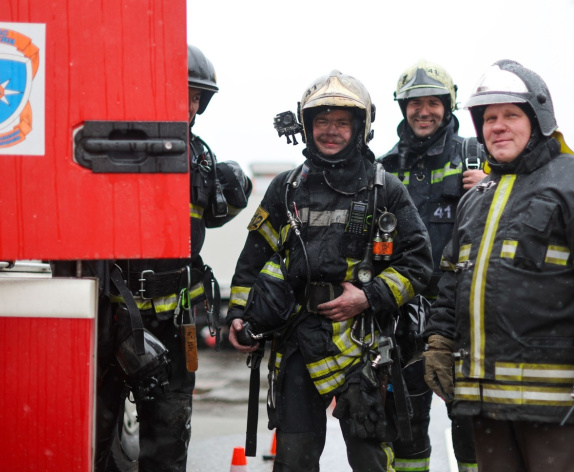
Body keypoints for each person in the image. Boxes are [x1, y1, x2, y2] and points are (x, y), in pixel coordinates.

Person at [422, 59, 574, 472]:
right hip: (486, 405)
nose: (497, 126)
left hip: (559, 400)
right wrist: (440, 342)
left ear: (538, 118)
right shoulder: (475, 199)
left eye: (511, 115)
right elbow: (452, 280)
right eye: (489, 118)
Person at [54, 44, 253, 472]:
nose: (189, 104)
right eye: (181, 93)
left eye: (196, 97)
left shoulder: (202, 161)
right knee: (90, 446)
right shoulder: (114, 151)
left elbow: (217, 214)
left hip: (176, 327)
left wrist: (237, 184)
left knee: (167, 448)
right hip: (109, 322)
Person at [227, 70, 434, 472]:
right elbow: (253, 258)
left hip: (363, 346)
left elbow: (418, 263)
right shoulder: (286, 188)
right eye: (322, 121)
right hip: (297, 341)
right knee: (294, 459)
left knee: (370, 458)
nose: (331, 131)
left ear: (361, 128)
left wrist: (368, 297)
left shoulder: (386, 189)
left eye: (342, 122)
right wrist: (238, 314)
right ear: (306, 126)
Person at [379, 60, 484, 472]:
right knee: (405, 422)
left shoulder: (476, 157)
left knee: (471, 420)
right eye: (414, 103)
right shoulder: (385, 167)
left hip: (461, 311)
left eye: (433, 103)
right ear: (402, 108)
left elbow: (517, 209)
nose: (424, 112)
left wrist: (490, 186)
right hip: (403, 313)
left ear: (448, 105)